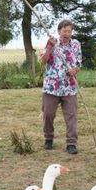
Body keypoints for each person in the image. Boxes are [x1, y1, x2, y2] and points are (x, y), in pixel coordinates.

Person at [40, 19, 82, 154]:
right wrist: (49, 47)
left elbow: (78, 63)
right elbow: (43, 61)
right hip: (51, 87)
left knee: (71, 115)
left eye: (69, 31)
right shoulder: (52, 42)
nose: (67, 34)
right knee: (48, 114)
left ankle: (71, 143)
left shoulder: (76, 44)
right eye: (64, 31)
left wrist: (74, 71)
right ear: (59, 31)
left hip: (69, 87)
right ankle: (48, 138)